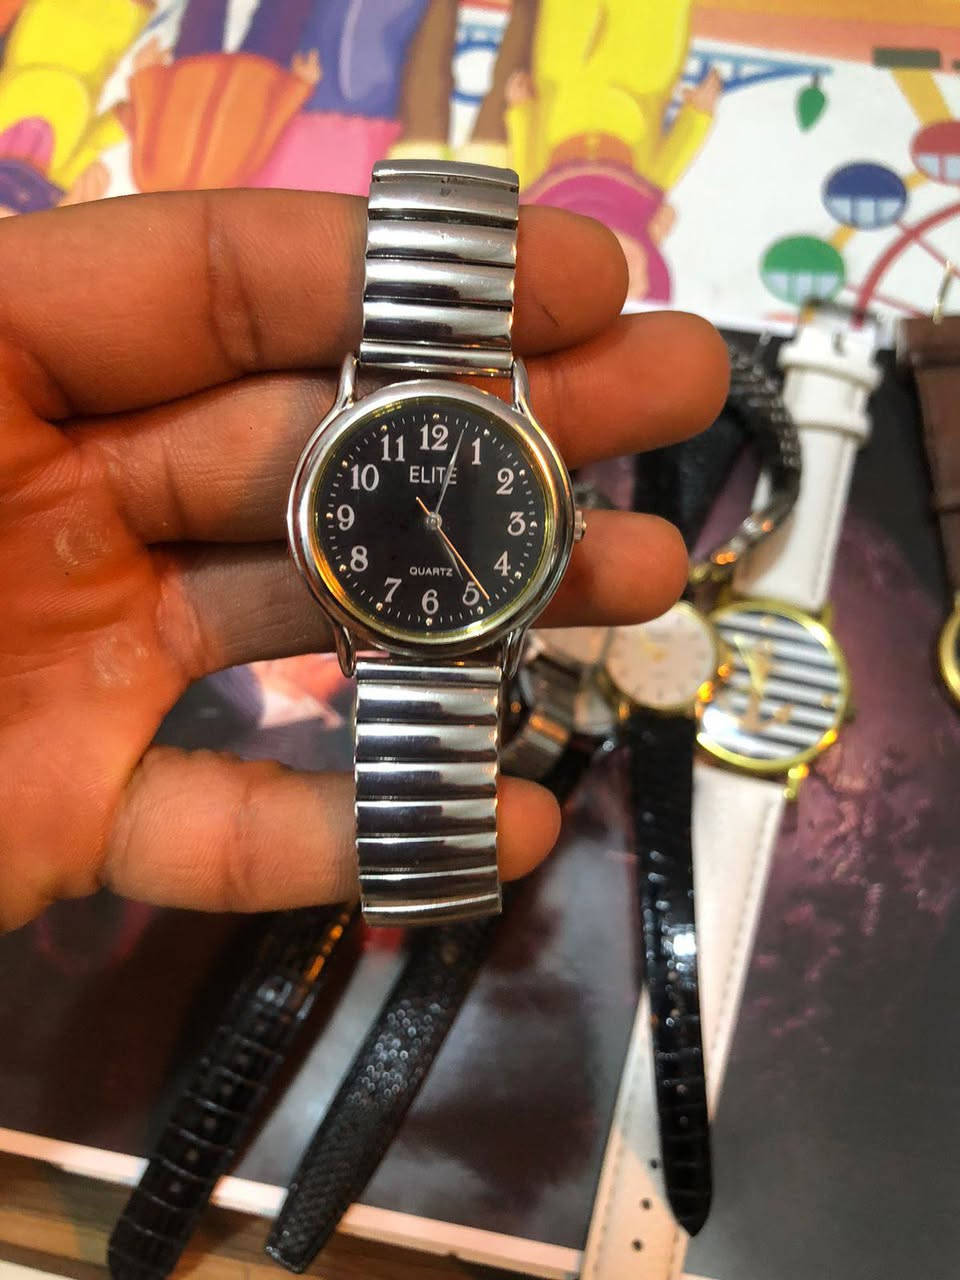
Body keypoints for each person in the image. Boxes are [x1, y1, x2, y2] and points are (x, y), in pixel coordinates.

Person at [0, 187, 728, 933]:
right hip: (406, 616)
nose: (435, 521)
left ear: (563, 525)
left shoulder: (458, 448)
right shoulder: (365, 491)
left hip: (441, 616)